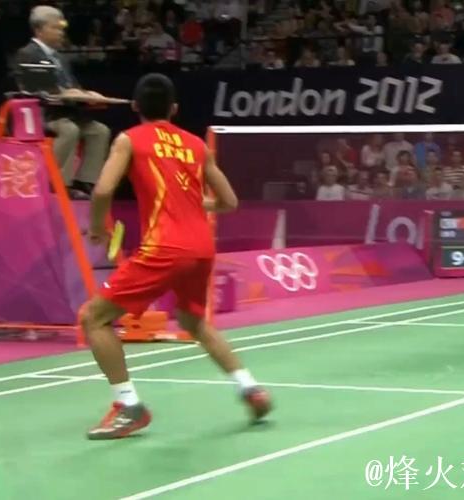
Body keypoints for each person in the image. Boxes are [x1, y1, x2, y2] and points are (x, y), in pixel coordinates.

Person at [79, 74, 272, 440]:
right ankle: (250, 388)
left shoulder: (129, 139)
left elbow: (102, 190)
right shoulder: (196, 145)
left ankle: (128, 407)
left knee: (93, 317)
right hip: (201, 248)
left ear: (135, 106)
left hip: (164, 247)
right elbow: (229, 202)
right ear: (174, 109)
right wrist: (194, 203)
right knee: (194, 321)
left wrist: (98, 227)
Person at [15, 6, 111, 199]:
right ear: (39, 30)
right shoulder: (27, 53)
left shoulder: (60, 57)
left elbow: (73, 86)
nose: (61, 32)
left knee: (100, 131)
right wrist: (70, 94)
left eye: (61, 28)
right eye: (55, 28)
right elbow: (38, 89)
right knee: (70, 130)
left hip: (67, 113)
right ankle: (52, 181)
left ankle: (84, 181)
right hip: (43, 114)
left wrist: (88, 95)